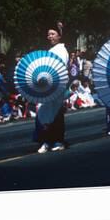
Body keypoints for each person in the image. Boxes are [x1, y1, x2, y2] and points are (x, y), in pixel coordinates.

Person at [33, 22, 70, 154]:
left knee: (56, 114)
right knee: (44, 114)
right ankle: (46, 141)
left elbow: (59, 70)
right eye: (48, 34)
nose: (50, 36)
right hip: (46, 87)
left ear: (59, 36)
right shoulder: (49, 51)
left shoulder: (62, 50)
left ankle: (58, 140)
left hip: (57, 87)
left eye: (53, 34)